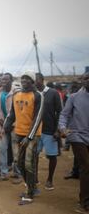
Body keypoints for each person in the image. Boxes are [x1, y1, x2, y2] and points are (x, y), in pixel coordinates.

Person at [4, 71, 43, 205]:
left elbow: (38, 118)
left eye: (28, 79)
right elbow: (11, 114)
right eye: (23, 78)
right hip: (18, 133)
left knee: (28, 163)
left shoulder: (38, 95)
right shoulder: (16, 94)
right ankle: (31, 186)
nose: (24, 81)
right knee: (18, 162)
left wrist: (29, 136)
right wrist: (6, 127)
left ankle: (30, 193)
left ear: (32, 82)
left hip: (32, 135)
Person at [58, 71, 89, 213]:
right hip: (77, 136)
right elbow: (64, 115)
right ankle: (84, 202)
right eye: (86, 78)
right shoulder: (74, 97)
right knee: (86, 166)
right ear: (82, 81)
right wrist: (63, 128)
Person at [35, 73, 62, 190]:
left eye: (36, 80)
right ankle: (34, 178)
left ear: (42, 80)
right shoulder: (33, 94)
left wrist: (57, 130)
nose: (34, 82)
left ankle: (50, 179)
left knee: (52, 156)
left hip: (49, 130)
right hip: (35, 131)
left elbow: (60, 112)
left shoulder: (53, 93)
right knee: (34, 155)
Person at [0, 73, 21, 182]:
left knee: (16, 151)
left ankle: (18, 173)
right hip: (3, 126)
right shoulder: (0, 92)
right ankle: (4, 173)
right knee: (2, 149)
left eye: (6, 79)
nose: (3, 81)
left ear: (11, 80)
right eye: (2, 80)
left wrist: (11, 124)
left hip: (14, 125)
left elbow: (19, 111)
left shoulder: (17, 93)